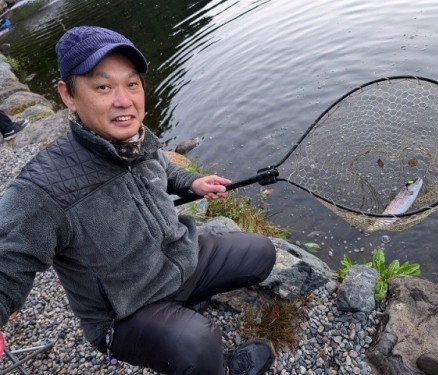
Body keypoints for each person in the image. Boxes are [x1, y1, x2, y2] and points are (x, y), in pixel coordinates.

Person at [0, 26, 277, 375]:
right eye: (103, 87)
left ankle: (182, 312)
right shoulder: (40, 189)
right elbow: (8, 260)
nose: (124, 100)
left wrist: (193, 181)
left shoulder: (138, 140)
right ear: (68, 95)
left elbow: (163, 169)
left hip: (180, 263)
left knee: (261, 253)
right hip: (125, 311)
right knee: (198, 344)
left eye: (132, 84)